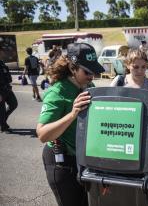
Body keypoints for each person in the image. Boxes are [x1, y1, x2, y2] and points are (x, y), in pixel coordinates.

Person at [36, 43, 105, 206]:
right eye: (87, 72)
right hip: (62, 162)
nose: (91, 77)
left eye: (93, 71)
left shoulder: (89, 87)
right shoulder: (57, 93)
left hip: (84, 159)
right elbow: (43, 134)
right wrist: (73, 114)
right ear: (73, 68)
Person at [0, 60, 18, 133]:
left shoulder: (1, 62)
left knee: (14, 104)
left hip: (7, 88)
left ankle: (2, 120)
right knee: (2, 110)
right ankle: (3, 127)